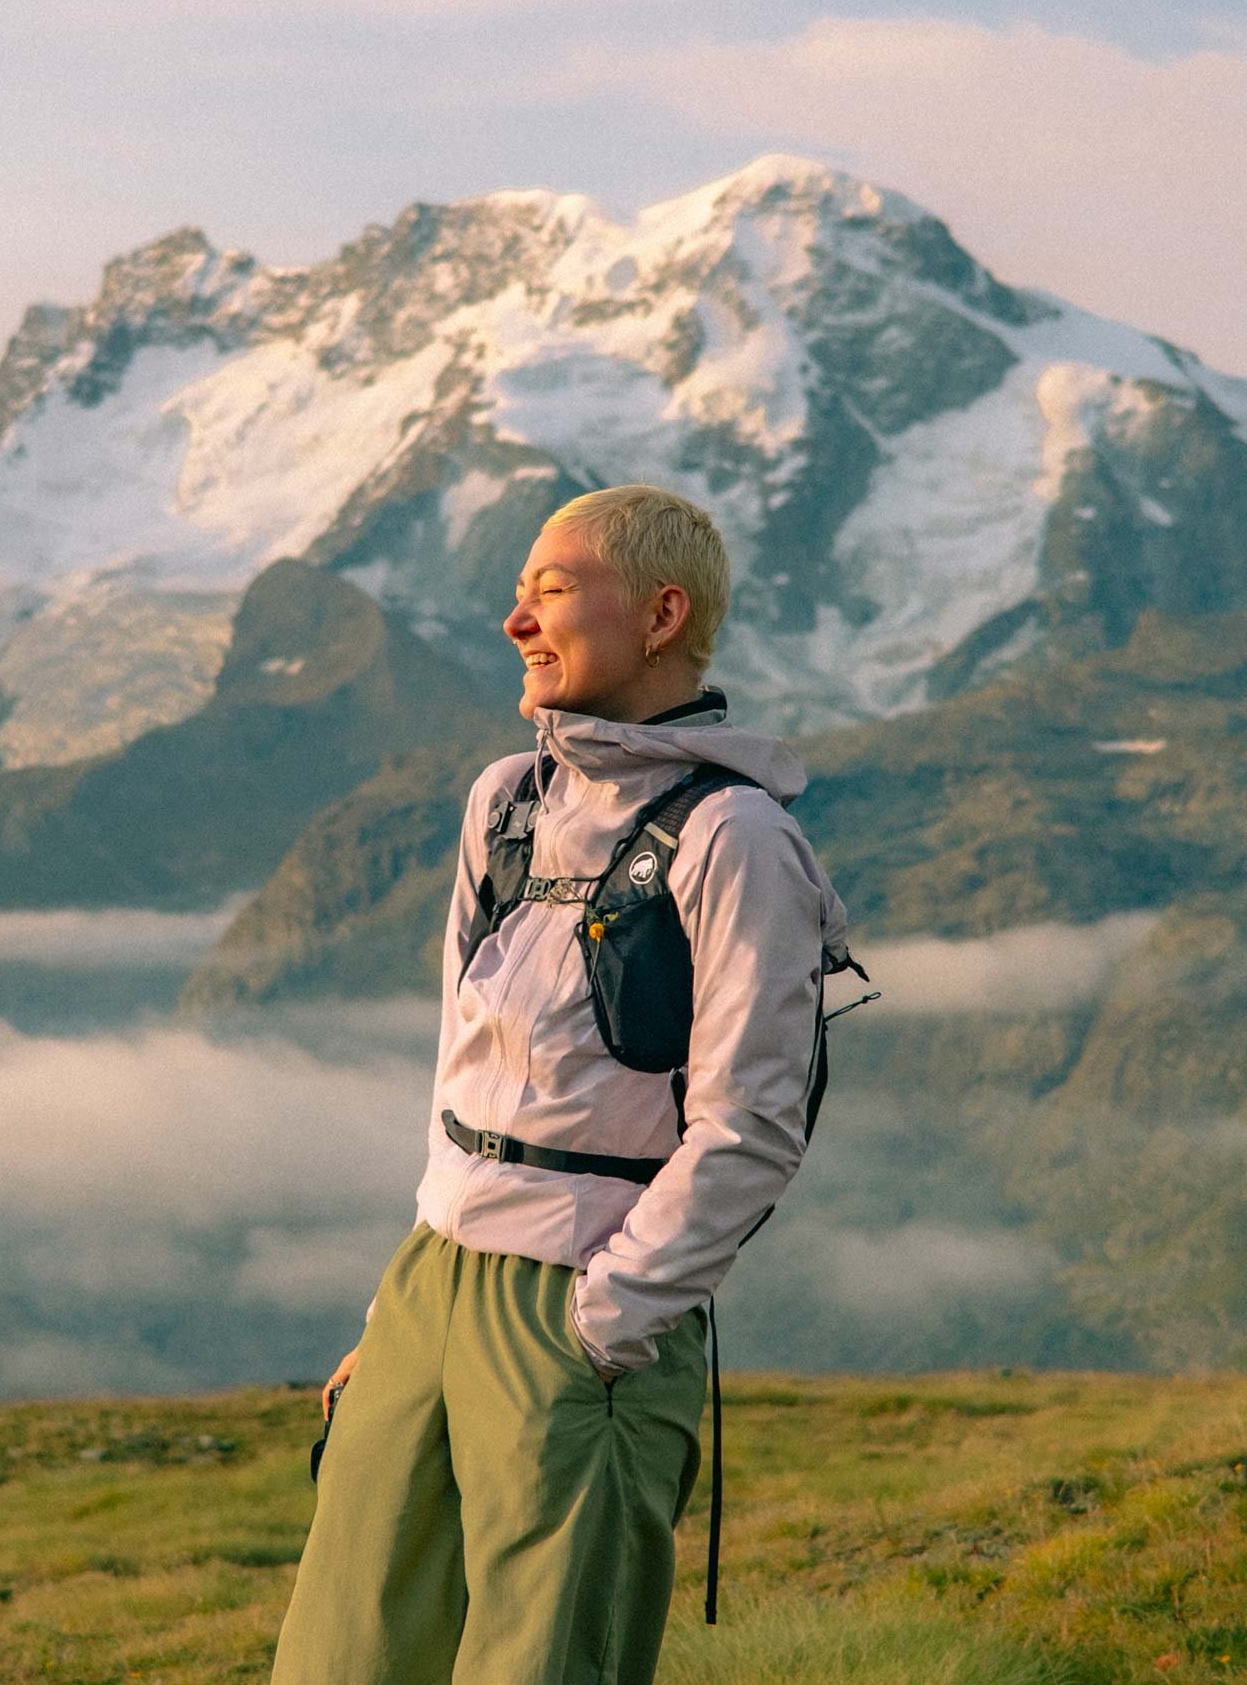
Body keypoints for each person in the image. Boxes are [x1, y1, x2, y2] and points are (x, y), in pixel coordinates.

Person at [269, 483, 853, 1685]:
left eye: (549, 589)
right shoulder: (506, 802)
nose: (514, 620)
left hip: (582, 1305)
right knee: (343, 1657)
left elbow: (753, 1123)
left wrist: (610, 1323)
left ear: (660, 612)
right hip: (434, 1284)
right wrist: (398, 1311)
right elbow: (462, 1075)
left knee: (541, 1664)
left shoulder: (736, 837)